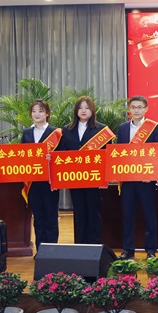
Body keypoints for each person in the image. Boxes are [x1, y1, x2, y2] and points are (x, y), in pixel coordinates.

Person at [57, 96, 115, 245]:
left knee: (93, 212)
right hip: (75, 179)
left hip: (94, 179)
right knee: (79, 212)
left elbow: (108, 155)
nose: (83, 111)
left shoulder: (101, 130)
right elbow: (61, 154)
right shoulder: (66, 130)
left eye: (87, 108)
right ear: (76, 110)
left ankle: (94, 245)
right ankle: (80, 245)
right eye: (80, 108)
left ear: (92, 110)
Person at [116, 96, 158, 260]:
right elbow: (119, 153)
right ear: (129, 109)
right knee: (127, 215)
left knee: (149, 216)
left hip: (146, 180)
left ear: (146, 109)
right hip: (128, 180)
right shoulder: (122, 128)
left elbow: (157, 151)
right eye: (133, 107)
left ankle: (151, 250)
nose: (136, 110)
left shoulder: (153, 127)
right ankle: (128, 249)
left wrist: (151, 174)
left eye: (140, 107)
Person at [22, 100, 62, 251]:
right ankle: (40, 250)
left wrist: (53, 157)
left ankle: (52, 251)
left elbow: (63, 156)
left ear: (47, 113)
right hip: (33, 182)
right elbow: (21, 155)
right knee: (38, 218)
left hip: (50, 181)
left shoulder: (56, 133)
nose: (37, 114)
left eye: (40, 111)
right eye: (34, 111)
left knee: (51, 217)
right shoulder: (26, 133)